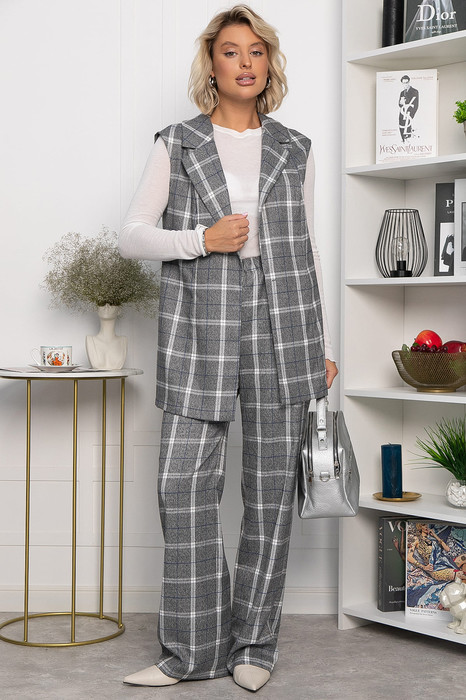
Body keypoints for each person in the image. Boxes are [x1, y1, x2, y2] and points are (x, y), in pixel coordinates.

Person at [119, 4, 337, 692]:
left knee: (269, 493)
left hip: (284, 324)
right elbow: (132, 234)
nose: (245, 62)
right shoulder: (178, 142)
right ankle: (192, 651)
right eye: (231, 51)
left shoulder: (295, 148)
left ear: (269, 64)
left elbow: (306, 248)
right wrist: (201, 240)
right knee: (182, 485)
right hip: (199, 328)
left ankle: (255, 647)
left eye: (256, 51)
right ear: (211, 65)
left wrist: (322, 345)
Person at [398, 75, 419, 142]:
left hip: (410, 112)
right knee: (401, 125)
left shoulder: (415, 91)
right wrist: (401, 103)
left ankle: (408, 140)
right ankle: (403, 140)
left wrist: (411, 115)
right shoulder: (402, 93)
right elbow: (399, 104)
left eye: (406, 82)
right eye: (404, 83)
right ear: (402, 83)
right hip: (402, 112)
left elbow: (416, 105)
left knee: (408, 127)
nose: (405, 84)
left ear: (409, 82)